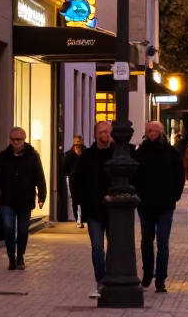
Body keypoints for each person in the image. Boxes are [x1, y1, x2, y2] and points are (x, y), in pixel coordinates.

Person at [134, 121, 185, 293]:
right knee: (146, 242)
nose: (151, 133)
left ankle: (161, 279)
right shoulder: (140, 153)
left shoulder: (171, 153)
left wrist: (174, 197)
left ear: (161, 132)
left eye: (155, 130)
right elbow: (135, 177)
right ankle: (148, 273)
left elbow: (179, 176)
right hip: (145, 205)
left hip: (165, 206)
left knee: (163, 242)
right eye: (149, 130)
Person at [0, 126, 46, 271]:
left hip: (25, 200)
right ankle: (11, 258)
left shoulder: (33, 155)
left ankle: (20, 256)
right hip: (8, 199)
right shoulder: (4, 156)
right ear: (10, 139)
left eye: (19, 139)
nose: (16, 142)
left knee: (22, 230)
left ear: (24, 139)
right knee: (8, 228)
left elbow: (40, 176)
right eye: (13, 139)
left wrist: (42, 196)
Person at [72, 120, 115, 293]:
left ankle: (113, 276)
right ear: (95, 135)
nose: (104, 134)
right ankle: (101, 279)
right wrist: (81, 203)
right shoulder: (87, 156)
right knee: (97, 246)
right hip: (94, 210)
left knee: (115, 245)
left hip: (114, 210)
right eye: (101, 132)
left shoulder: (118, 154)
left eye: (107, 131)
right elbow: (77, 181)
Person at [62, 134, 85, 224]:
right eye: (76, 142)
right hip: (73, 180)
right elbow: (65, 167)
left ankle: (82, 217)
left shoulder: (86, 153)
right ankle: (77, 218)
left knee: (83, 199)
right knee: (74, 199)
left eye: (79, 142)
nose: (77, 143)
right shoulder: (69, 154)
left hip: (84, 180)